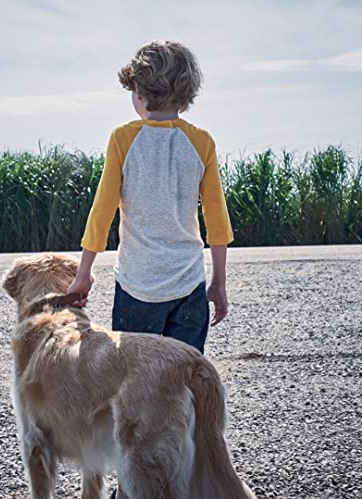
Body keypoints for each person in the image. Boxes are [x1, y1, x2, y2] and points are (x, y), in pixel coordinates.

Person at [66, 40, 233, 355]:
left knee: (134, 386)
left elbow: (101, 214)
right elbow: (217, 222)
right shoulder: (202, 143)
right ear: (186, 91)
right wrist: (218, 283)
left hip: (136, 286)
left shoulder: (123, 139)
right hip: (189, 285)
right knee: (181, 383)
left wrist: (83, 274)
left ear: (140, 91)